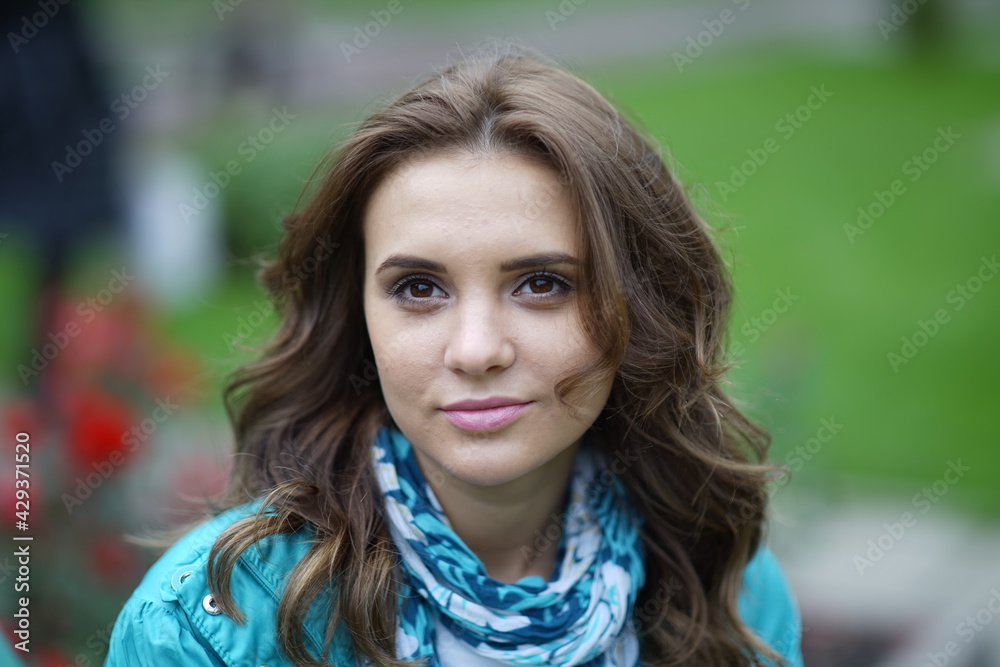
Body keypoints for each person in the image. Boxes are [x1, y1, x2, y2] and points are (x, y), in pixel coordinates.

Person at [105, 41, 804, 667]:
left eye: (542, 284)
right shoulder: (211, 627)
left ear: (638, 308)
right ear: (359, 316)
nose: (476, 350)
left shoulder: (723, 580)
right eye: (418, 287)